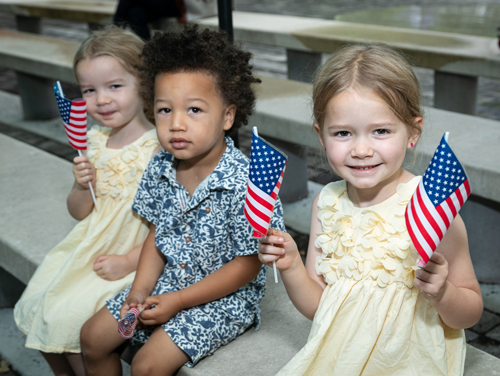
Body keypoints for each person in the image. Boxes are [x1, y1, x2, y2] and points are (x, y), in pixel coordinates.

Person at [258, 44, 483, 375]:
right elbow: (319, 307)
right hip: (341, 358)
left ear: (412, 132)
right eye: (343, 133)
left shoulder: (433, 208)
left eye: (380, 131)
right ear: (322, 136)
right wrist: (291, 264)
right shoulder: (327, 203)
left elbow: (471, 311)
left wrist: (443, 293)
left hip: (410, 361)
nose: (361, 150)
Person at [80, 25, 285, 376]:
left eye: (194, 110)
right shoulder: (161, 165)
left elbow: (247, 264)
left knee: (147, 367)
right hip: (169, 281)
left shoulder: (246, 183)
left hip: (224, 298)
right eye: (164, 110)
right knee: (92, 338)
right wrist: (140, 290)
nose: (176, 124)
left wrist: (177, 302)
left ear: (227, 116)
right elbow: (158, 234)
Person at [13, 26, 160, 376]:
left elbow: (172, 225)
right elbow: (80, 212)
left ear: (144, 82)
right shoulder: (92, 141)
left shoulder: (160, 148)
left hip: (137, 255)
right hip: (93, 245)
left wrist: (128, 261)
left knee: (68, 321)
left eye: (114, 86)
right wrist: (81, 188)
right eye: (89, 90)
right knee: (38, 305)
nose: (101, 100)